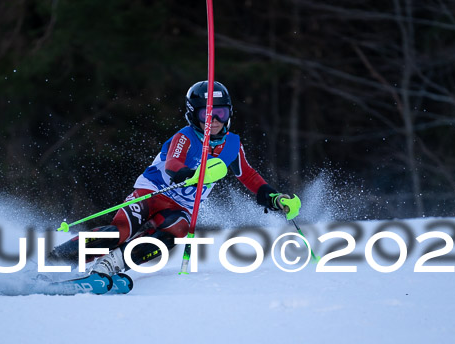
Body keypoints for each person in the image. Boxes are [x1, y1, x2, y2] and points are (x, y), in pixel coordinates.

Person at [48, 80, 300, 275]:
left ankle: (112, 265)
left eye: (220, 114)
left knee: (175, 232)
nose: (213, 121)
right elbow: (172, 163)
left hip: (181, 207)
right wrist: (188, 174)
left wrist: (274, 198)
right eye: (206, 114)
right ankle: (57, 259)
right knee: (121, 231)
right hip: (151, 193)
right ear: (194, 115)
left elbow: (249, 177)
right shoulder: (186, 137)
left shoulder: (233, 146)